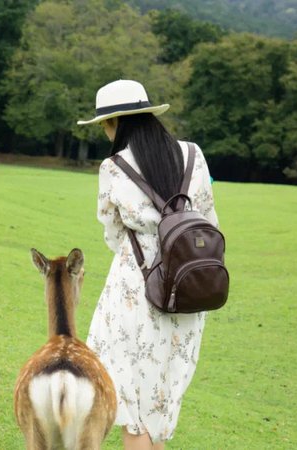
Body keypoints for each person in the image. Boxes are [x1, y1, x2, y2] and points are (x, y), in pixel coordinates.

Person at [78, 79, 219, 449]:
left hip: (137, 289)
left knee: (133, 405)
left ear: (115, 123)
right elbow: (209, 221)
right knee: (159, 400)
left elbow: (112, 232)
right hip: (188, 288)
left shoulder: (114, 167)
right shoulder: (193, 154)